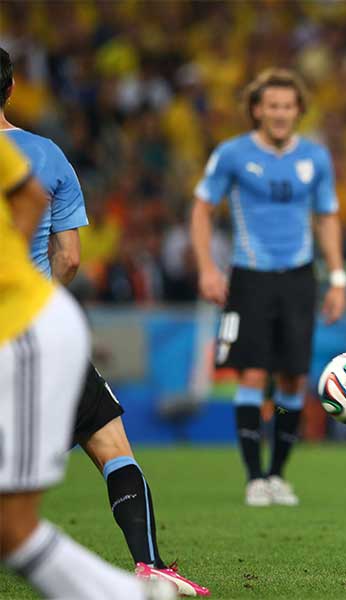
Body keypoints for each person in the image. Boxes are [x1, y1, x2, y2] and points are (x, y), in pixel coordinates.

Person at [0, 47, 208, 597]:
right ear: (12, 90)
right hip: (34, 330)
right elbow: (69, 257)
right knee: (109, 443)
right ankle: (150, 566)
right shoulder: (44, 156)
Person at [191, 68, 346, 507]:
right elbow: (202, 209)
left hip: (299, 276)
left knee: (294, 379)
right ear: (257, 109)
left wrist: (337, 278)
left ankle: (278, 474)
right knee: (253, 373)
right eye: (272, 106)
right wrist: (207, 266)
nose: (279, 114)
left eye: (287, 106)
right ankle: (253, 477)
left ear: (298, 110)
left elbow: (327, 217)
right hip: (249, 276)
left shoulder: (315, 158)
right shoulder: (233, 154)